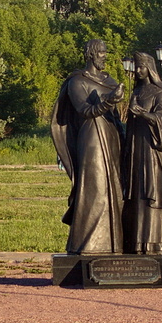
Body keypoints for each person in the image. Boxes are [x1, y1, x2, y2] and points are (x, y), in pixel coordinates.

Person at [51, 39, 125, 254]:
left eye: (105, 52)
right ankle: (86, 244)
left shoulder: (110, 80)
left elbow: (116, 118)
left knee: (115, 189)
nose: (105, 56)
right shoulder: (77, 82)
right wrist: (109, 101)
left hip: (112, 139)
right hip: (91, 140)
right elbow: (84, 110)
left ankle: (114, 244)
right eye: (101, 52)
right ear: (91, 54)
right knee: (94, 188)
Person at [122, 52, 162, 253]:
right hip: (136, 150)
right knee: (138, 193)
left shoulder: (158, 93)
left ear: (150, 69)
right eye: (136, 67)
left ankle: (157, 241)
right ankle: (136, 241)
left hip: (153, 153)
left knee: (152, 191)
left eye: (141, 67)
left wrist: (144, 114)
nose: (137, 71)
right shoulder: (137, 91)